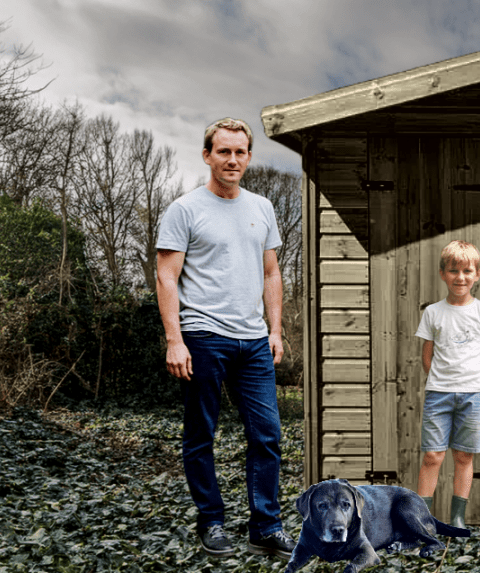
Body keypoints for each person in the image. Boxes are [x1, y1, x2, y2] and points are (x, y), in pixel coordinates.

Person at [155, 117, 295, 558]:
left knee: (267, 435)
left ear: (249, 157)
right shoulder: (184, 210)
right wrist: (174, 339)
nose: (232, 160)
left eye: (240, 152)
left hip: (253, 341)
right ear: (207, 155)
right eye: (224, 151)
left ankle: (265, 527)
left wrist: (275, 330)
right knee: (202, 434)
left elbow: (271, 273)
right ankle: (211, 522)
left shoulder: (262, 208)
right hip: (202, 336)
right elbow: (166, 276)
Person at [414, 240, 480, 528]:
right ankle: (422, 519)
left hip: (473, 395)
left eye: (467, 271)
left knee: (464, 456)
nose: (460, 277)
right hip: (439, 394)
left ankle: (457, 518)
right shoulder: (433, 312)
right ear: (443, 274)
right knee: (432, 455)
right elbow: (427, 355)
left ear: (477, 274)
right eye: (453, 271)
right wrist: (440, 380)